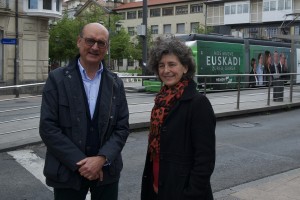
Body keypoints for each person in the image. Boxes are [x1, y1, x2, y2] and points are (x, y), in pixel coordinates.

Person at [39, 23, 129, 200]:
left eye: (101, 43)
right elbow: (48, 128)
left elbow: (122, 127)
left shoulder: (115, 83)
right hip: (67, 170)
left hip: (106, 172)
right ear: (79, 41)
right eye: (90, 40)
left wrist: (102, 158)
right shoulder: (57, 80)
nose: (95, 47)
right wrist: (82, 164)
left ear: (106, 48)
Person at [141, 36, 216, 200]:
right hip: (156, 188)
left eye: (172, 64)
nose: (166, 70)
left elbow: (205, 160)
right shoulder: (160, 101)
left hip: (182, 193)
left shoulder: (198, 104)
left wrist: (190, 195)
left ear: (185, 67)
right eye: (161, 65)